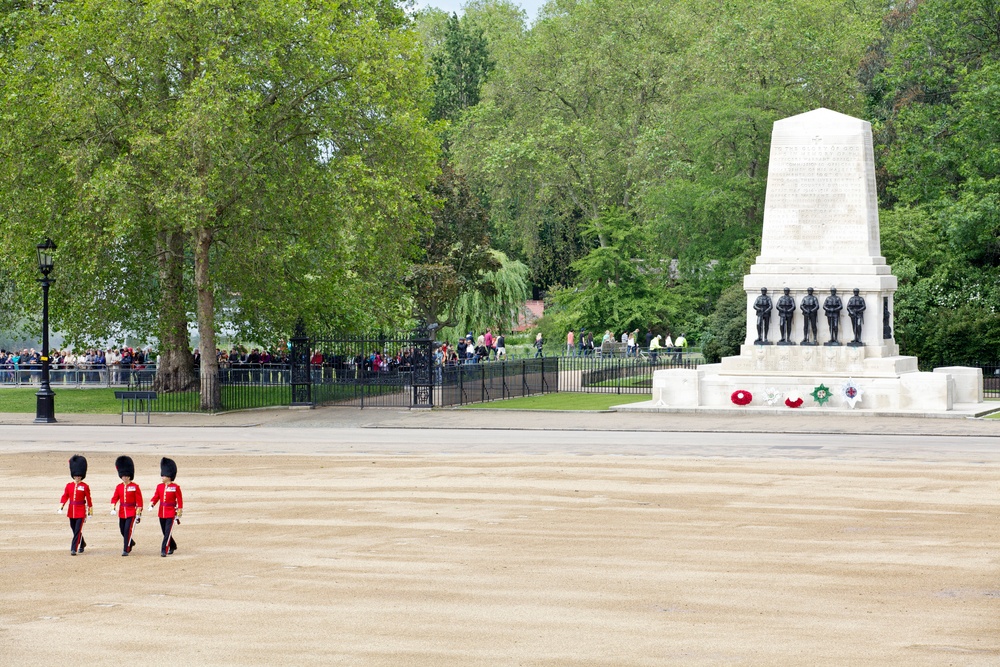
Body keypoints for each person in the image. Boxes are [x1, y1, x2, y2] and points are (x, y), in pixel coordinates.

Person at [59, 455, 93, 555]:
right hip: (71, 510)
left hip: (81, 510)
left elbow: (88, 499)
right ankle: (82, 543)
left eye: (79, 476)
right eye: (76, 476)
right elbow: (65, 496)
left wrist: (90, 511)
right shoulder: (69, 486)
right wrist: (61, 506)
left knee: (78, 529)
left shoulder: (85, 486)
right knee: (74, 529)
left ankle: (73, 548)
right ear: (73, 475)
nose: (78, 477)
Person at [150, 457, 183, 557]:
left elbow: (180, 500)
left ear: (169, 476)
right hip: (162, 512)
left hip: (171, 512)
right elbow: (156, 497)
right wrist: (152, 504)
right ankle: (173, 545)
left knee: (168, 532)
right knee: (165, 532)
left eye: (163, 475)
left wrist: (179, 511)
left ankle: (164, 549)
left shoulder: (175, 487)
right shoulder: (159, 486)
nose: (162, 477)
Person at [110, 456, 142, 556]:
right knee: (122, 530)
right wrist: (113, 507)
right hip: (122, 512)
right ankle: (130, 542)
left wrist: (138, 513)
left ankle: (126, 549)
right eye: (123, 475)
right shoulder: (119, 487)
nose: (125, 477)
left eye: (126, 475)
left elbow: (139, 501)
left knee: (127, 529)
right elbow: (115, 498)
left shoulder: (135, 487)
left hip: (131, 511)